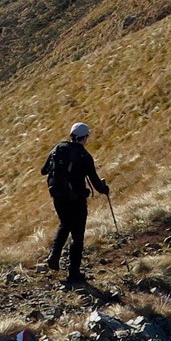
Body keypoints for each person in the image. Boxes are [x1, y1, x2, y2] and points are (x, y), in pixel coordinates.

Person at [40, 121, 109, 286]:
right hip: (77, 199)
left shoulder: (58, 148)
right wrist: (105, 189)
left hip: (58, 196)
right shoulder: (84, 156)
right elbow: (95, 182)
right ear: (85, 137)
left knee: (64, 224)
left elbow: (43, 170)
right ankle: (74, 273)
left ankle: (54, 256)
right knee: (77, 235)